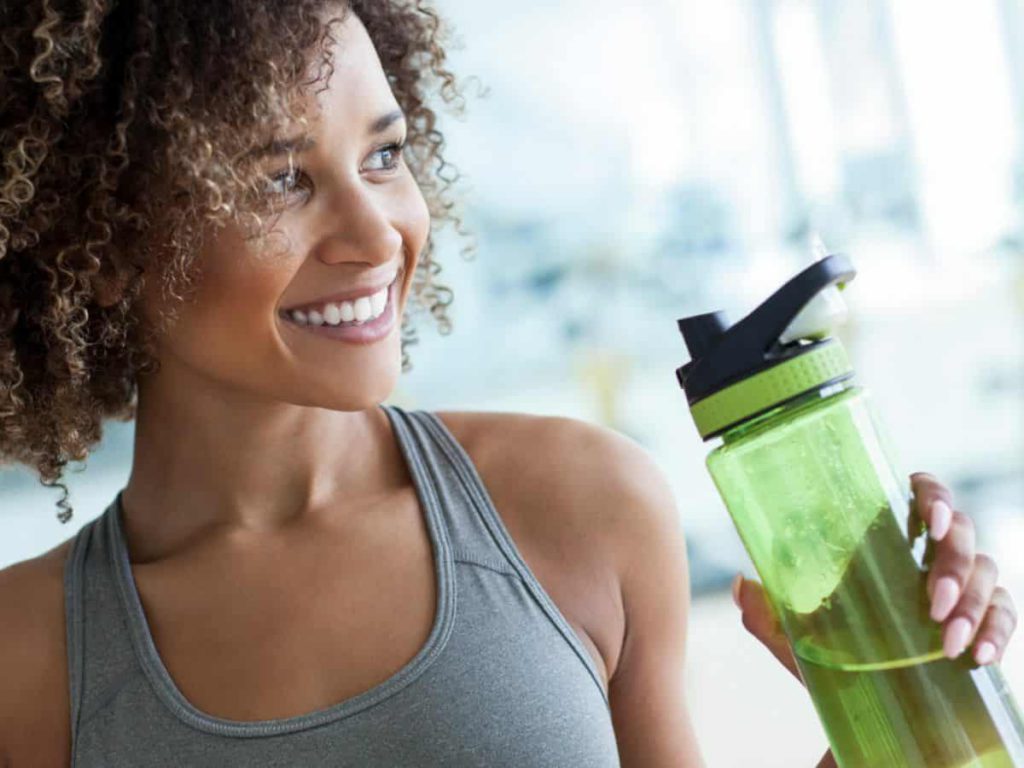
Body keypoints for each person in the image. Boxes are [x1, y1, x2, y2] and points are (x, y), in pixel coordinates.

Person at [0, 2, 1015, 766]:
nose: (376, 234)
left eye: (384, 154)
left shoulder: (576, 507)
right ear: (110, 245)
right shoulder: (30, 661)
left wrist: (897, 723)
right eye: (281, 179)